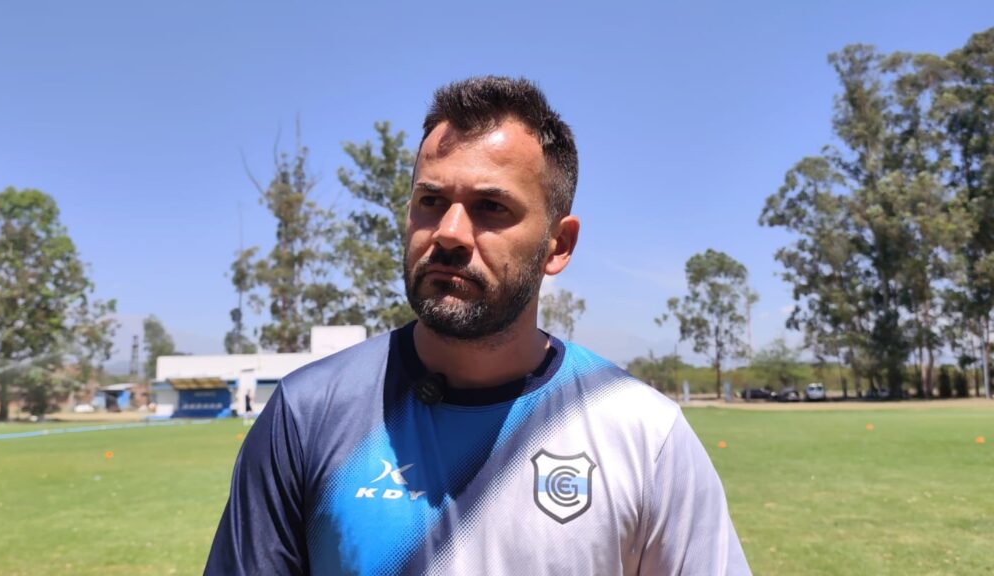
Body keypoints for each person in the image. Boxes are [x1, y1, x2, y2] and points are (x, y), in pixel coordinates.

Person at [205, 76, 750, 575]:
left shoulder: (643, 433)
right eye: (431, 200)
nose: (448, 233)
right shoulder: (307, 415)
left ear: (558, 245)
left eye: (491, 207)